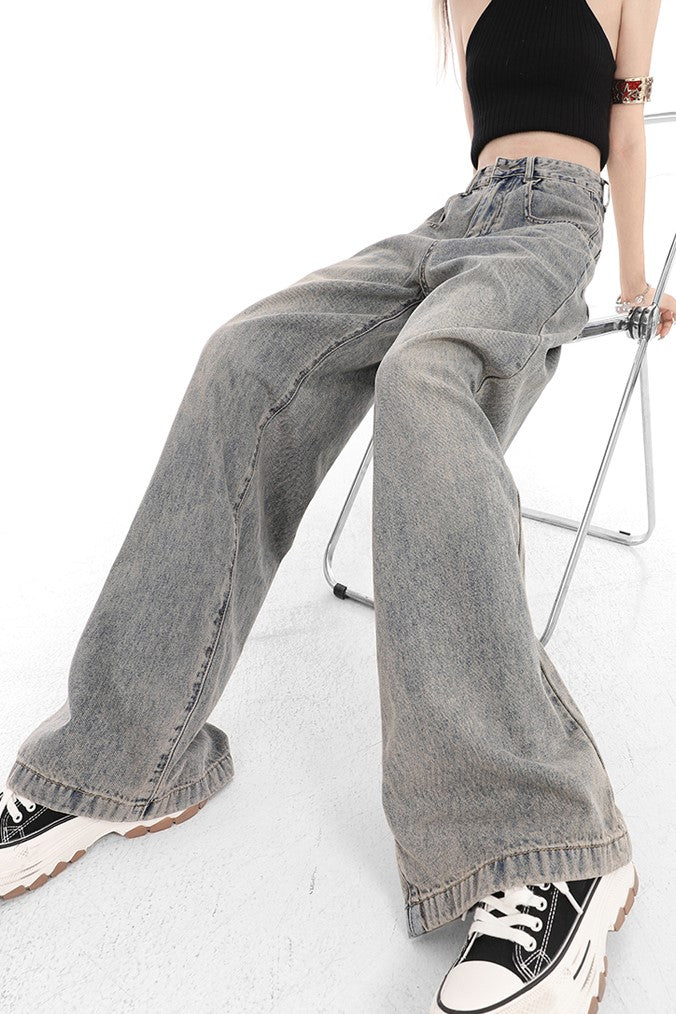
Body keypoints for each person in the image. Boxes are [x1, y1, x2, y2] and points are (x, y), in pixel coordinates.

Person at [1, 0, 674, 1010]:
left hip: (556, 229)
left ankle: (547, 840)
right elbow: (486, 140)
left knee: (421, 379)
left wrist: (633, 280)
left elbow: (624, 125)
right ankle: (117, 758)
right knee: (244, 355)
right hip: (456, 221)